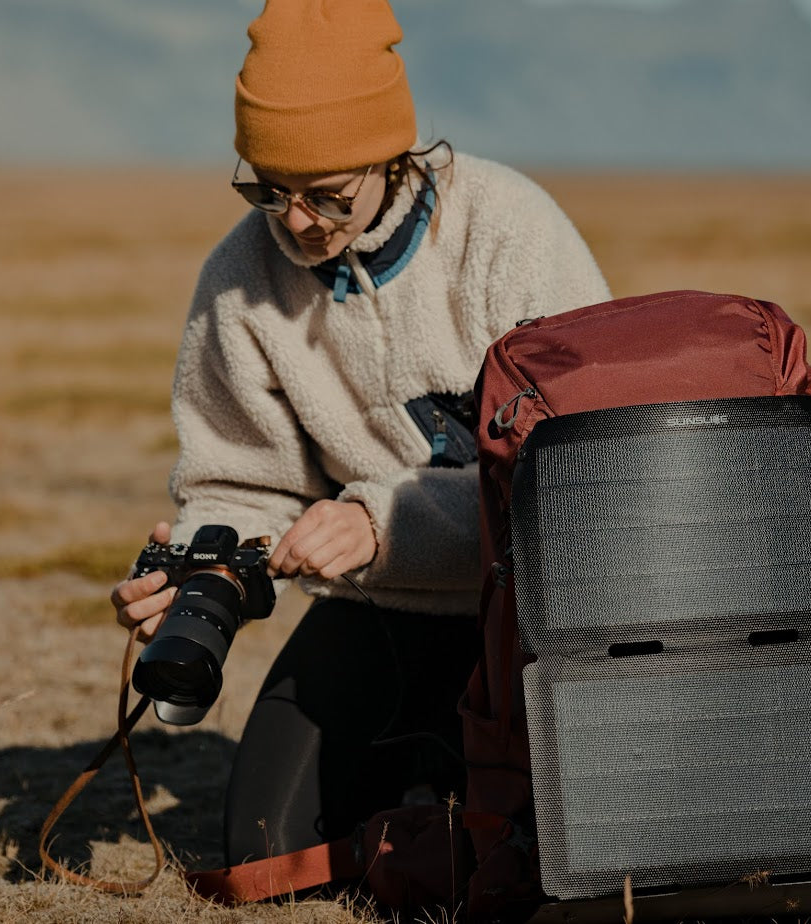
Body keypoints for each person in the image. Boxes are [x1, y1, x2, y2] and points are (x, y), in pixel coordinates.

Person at [111, 0, 610, 870]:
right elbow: (236, 479)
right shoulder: (238, 279)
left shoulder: (509, 232)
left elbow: (580, 477)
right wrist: (199, 567)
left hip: (529, 619)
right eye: (267, 189)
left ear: (395, 157)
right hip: (378, 610)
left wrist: (384, 524)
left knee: (546, 851)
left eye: (326, 195)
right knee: (259, 853)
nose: (295, 221)